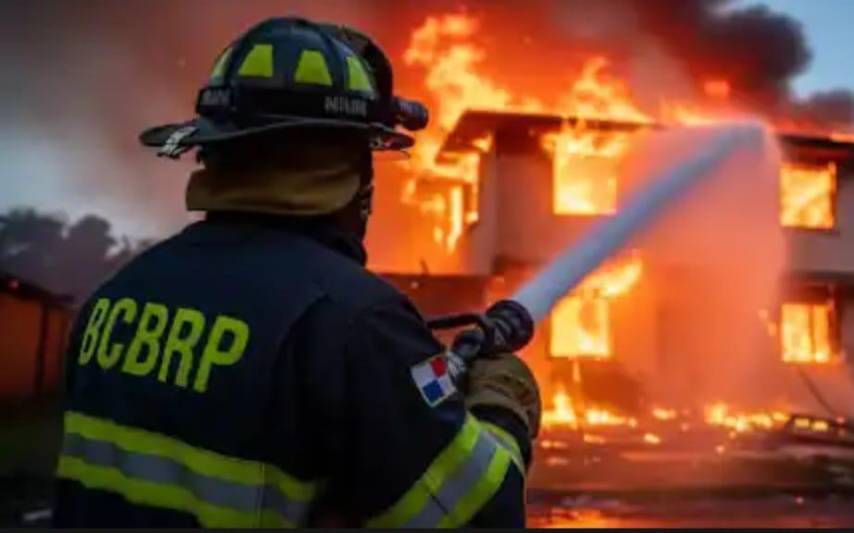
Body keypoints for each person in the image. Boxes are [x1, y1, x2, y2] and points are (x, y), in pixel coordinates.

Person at [53, 17, 541, 528]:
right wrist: (501, 405)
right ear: (350, 168)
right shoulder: (353, 326)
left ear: (215, 152)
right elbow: (481, 516)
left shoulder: (114, 299)